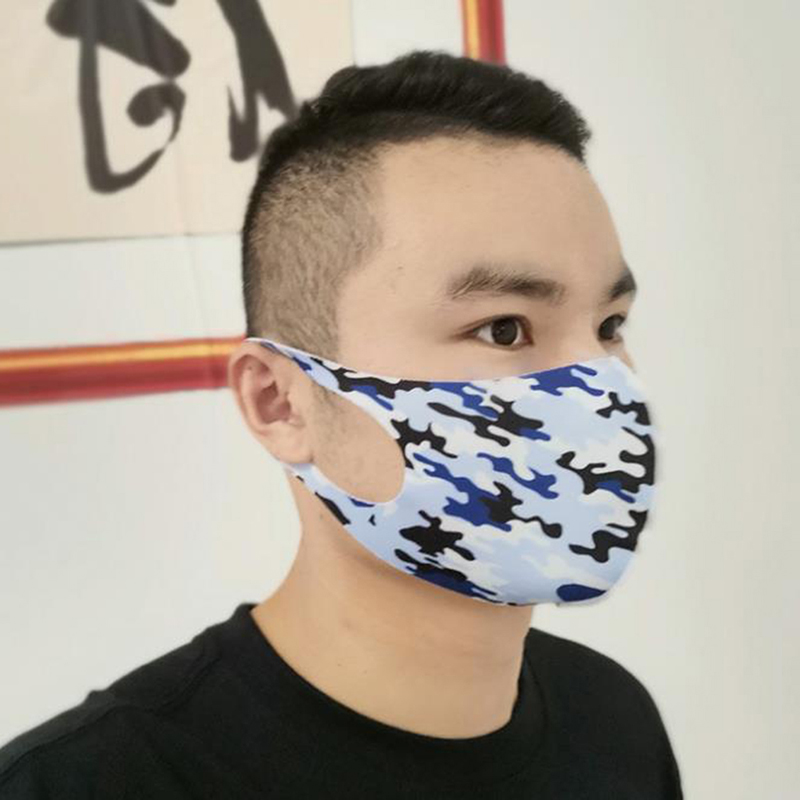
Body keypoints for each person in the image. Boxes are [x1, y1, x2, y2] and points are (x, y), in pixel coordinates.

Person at [0, 50, 683, 798]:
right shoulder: (81, 784)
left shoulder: (614, 721)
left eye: (610, 325)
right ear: (280, 402)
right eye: (504, 329)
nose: (602, 386)